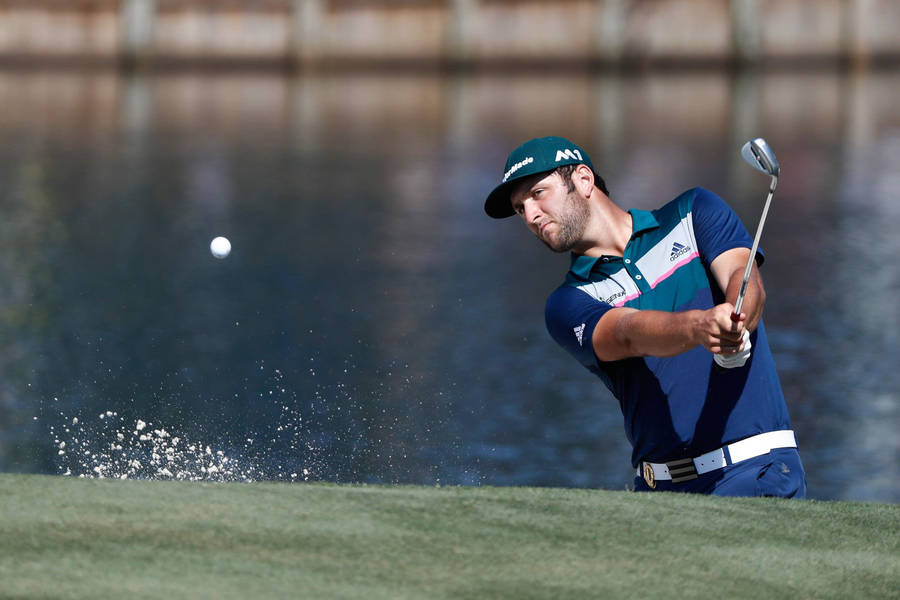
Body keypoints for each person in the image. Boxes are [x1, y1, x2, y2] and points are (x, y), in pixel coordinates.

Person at [484, 136, 806, 498]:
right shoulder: (566, 303)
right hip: (661, 492)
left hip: (757, 469)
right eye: (519, 208)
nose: (530, 215)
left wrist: (737, 319)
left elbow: (742, 278)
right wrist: (700, 326)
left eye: (538, 193)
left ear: (584, 180)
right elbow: (625, 333)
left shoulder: (694, 211)